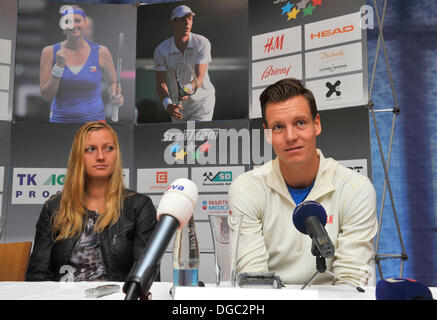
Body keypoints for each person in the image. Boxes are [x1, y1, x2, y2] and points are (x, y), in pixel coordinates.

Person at [228, 78, 378, 286]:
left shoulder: (356, 188)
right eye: (279, 127)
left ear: (316, 124)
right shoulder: (247, 188)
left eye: (300, 123)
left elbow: (350, 283)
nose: (291, 136)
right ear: (268, 134)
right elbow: (254, 281)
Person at [26, 122, 158, 282]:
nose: (101, 156)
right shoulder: (54, 207)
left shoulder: (139, 206)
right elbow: (38, 274)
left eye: (109, 148)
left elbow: (146, 275)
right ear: (78, 156)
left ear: (117, 153)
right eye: (91, 149)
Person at [39, 5, 123, 123]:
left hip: (94, 122)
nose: (73, 25)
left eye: (78, 20)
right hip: (60, 122)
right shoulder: (49, 52)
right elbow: (47, 96)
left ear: (85, 24)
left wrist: (114, 95)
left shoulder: (101, 52)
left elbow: (112, 82)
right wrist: (58, 67)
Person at [153, 5, 215, 122]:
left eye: (190, 18)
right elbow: (161, 83)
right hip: (178, 106)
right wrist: (168, 105)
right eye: (182, 19)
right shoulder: (161, 50)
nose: (187, 22)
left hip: (202, 102)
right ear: (173, 23)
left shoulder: (202, 43)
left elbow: (199, 77)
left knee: (197, 138)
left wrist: (187, 88)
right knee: (180, 140)